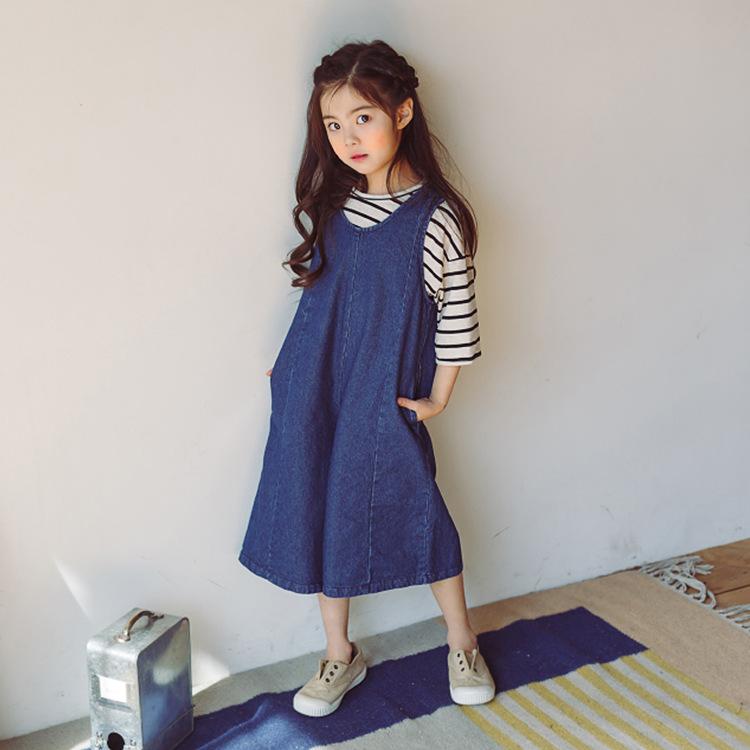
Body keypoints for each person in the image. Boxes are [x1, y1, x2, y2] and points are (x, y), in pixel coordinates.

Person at [238, 39, 495, 716]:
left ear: (402, 112)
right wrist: (291, 369)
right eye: (333, 124)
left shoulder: (434, 218)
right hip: (315, 390)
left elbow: (457, 310)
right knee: (322, 507)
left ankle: (462, 641)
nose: (348, 138)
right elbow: (320, 299)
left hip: (381, 394)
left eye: (363, 118)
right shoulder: (335, 206)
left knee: (419, 509)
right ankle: (338, 653)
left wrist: (438, 396)